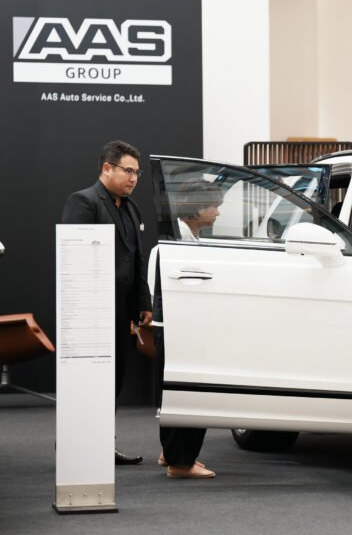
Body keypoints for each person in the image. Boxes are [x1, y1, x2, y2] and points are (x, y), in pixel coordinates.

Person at [61, 140, 152, 465]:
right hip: (91, 311)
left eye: (137, 172)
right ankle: (75, 447)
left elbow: (136, 258)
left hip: (121, 311)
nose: (133, 178)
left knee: (112, 380)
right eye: (128, 170)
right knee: (87, 382)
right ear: (107, 168)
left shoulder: (131, 208)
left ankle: (101, 445)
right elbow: (73, 258)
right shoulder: (84, 202)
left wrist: (142, 302)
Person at [154, 180, 224, 479]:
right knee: (189, 388)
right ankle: (180, 463)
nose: (218, 212)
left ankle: (171, 453)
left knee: (176, 389)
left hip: (181, 323)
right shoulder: (176, 241)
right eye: (214, 206)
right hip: (181, 325)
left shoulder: (186, 236)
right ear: (196, 207)